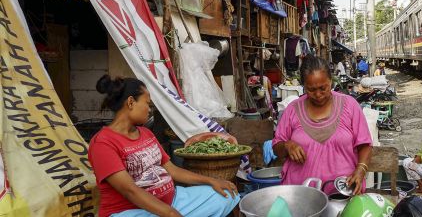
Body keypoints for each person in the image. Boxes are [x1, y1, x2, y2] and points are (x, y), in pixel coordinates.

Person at [89, 75, 240, 217]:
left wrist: (211, 181)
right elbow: (130, 191)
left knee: (227, 195)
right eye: (147, 104)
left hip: (174, 201)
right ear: (130, 102)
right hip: (134, 212)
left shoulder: (146, 133)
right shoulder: (103, 143)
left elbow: (172, 170)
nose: (149, 110)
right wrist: (171, 214)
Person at [272, 55, 373, 195]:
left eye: (323, 88)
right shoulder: (292, 110)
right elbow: (277, 147)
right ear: (303, 86)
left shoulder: (349, 105)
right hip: (299, 195)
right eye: (311, 90)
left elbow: (365, 144)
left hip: (342, 192)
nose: (318, 94)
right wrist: (288, 145)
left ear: (331, 81)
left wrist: (360, 169)